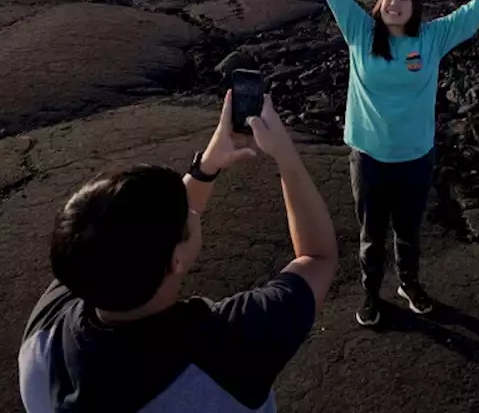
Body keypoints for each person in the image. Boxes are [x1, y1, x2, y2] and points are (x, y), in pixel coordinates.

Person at [17, 91, 337, 413]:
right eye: (189, 216)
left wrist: (207, 166)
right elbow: (318, 258)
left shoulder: (47, 329)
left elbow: (135, 235)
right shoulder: (231, 348)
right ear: (176, 260)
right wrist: (286, 157)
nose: (192, 210)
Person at [297, 0, 479, 327]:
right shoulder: (359, 31)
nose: (394, 2)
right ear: (380, 3)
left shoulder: (432, 38)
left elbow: (471, 12)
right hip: (369, 157)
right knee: (371, 236)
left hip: (415, 157)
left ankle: (409, 284)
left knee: (408, 232)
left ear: (415, 8)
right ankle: (371, 295)